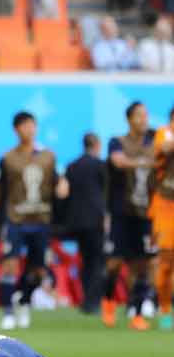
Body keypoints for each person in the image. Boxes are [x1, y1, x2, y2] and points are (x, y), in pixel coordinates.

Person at [0, 112, 69, 330]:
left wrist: (62, 186)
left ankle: (23, 301)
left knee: (38, 271)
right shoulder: (8, 158)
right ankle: (8, 313)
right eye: (24, 126)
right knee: (10, 264)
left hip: (41, 219)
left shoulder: (48, 156)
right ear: (16, 130)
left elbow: (58, 180)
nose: (29, 129)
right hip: (15, 219)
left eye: (32, 125)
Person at [102, 102, 156, 330]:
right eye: (139, 115)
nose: (144, 119)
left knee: (141, 264)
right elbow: (118, 161)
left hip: (145, 212)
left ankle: (135, 312)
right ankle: (108, 301)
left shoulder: (155, 142)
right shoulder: (117, 142)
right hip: (121, 212)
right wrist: (145, 162)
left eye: (146, 115)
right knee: (114, 263)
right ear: (129, 119)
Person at [64, 132, 106, 315]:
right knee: (97, 262)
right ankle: (93, 301)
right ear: (96, 145)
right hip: (96, 220)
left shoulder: (72, 166)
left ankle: (85, 300)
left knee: (85, 261)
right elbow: (105, 193)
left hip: (77, 221)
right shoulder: (99, 165)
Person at [151, 106, 174, 328]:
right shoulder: (165, 133)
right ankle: (165, 309)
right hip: (167, 206)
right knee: (166, 260)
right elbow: (164, 148)